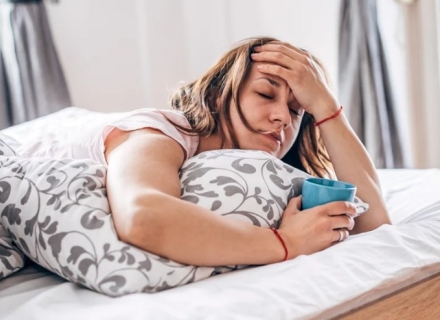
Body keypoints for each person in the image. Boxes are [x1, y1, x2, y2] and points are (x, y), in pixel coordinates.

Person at [99, 37, 391, 267]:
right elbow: (142, 217)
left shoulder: (279, 177)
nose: (283, 117)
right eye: (265, 94)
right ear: (216, 95)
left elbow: (375, 224)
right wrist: (285, 242)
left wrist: (326, 108)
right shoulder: (157, 133)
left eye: (295, 110)